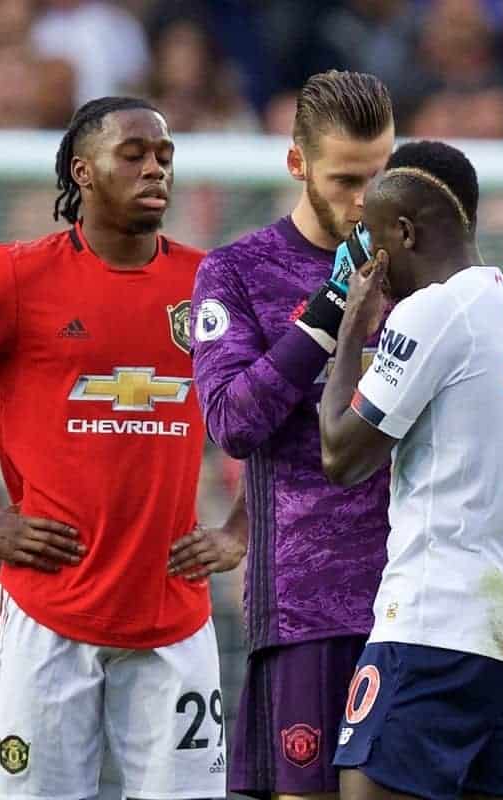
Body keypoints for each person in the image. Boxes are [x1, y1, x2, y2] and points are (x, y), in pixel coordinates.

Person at [0, 96, 236, 800]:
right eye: (133, 154)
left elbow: (290, 399)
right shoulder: (17, 277)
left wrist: (242, 530)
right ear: (83, 172)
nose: (155, 167)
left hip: (174, 614)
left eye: (164, 156)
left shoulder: (214, 285)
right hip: (49, 612)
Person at [318, 140, 503, 800]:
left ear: (404, 231)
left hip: (432, 629)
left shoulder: (433, 310)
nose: (369, 261)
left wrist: (353, 330)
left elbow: (340, 454)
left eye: (370, 237)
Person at [183, 69, 394, 798]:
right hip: (309, 604)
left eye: (380, 174)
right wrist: (332, 307)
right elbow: (234, 422)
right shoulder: (237, 273)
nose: (365, 200)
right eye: (344, 179)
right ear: (297, 163)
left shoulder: (428, 271)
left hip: (424, 604)